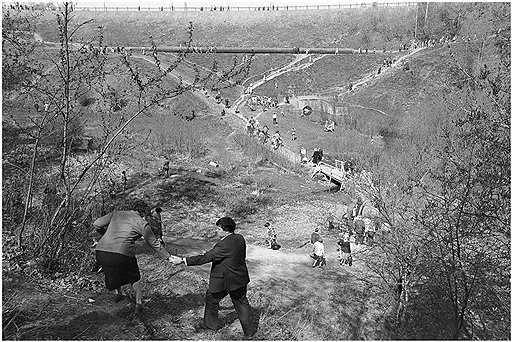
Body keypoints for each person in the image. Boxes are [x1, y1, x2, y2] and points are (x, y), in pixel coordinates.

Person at [169, 217, 255, 338]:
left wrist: (182, 260)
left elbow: (205, 258)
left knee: (211, 299)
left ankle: (211, 326)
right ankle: (250, 333)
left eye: (219, 228)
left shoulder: (223, 245)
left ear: (226, 230)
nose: (216, 231)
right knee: (242, 303)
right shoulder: (239, 238)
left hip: (224, 281)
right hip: (240, 279)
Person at [93, 199, 172, 315]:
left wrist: (104, 233)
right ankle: (138, 304)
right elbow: (154, 243)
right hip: (120, 253)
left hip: (100, 251)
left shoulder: (117, 214)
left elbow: (97, 223)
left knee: (112, 269)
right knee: (135, 277)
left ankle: (118, 293)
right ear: (144, 213)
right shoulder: (141, 223)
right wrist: (168, 257)